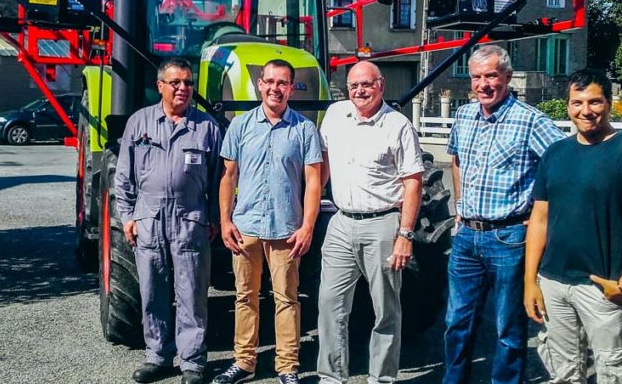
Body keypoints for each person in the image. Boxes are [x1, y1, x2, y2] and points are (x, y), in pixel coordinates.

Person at [443, 45, 564, 384]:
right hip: (466, 235)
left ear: (508, 78)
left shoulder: (530, 120)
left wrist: (542, 213)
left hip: (509, 238)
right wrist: (460, 205)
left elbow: (562, 168)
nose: (483, 84)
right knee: (456, 322)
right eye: (477, 77)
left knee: (507, 327)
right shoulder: (465, 115)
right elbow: (456, 160)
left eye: (491, 76)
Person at [115, 58, 222, 384]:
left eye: (188, 83)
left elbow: (220, 179)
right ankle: (158, 356)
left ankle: (192, 362)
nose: (183, 89)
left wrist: (216, 218)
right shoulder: (139, 123)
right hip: (149, 218)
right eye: (175, 82)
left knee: (192, 293)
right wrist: (128, 216)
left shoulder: (206, 127)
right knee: (152, 291)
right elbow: (123, 176)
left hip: (190, 219)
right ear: (160, 86)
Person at [215, 59, 322, 384]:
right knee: (245, 297)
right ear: (260, 84)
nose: (276, 88)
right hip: (246, 228)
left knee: (287, 299)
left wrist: (307, 226)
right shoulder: (241, 126)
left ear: (291, 88)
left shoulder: (304, 129)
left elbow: (314, 181)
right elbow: (227, 176)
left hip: (286, 231)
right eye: (270, 81)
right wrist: (225, 221)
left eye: (283, 83)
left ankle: (287, 366)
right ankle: (243, 362)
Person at [316, 61, 424, 384]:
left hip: (383, 224)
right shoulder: (335, 116)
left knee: (386, 309)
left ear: (381, 85)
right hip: (340, 222)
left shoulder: (397, 125)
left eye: (366, 84)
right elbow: (323, 164)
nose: (360, 91)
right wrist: (309, 209)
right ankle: (332, 376)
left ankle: (382, 377)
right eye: (354, 86)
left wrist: (405, 234)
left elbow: (414, 182)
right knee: (330, 304)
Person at [524, 68, 622, 383]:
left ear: (609, 102)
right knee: (564, 372)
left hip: (604, 287)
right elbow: (539, 219)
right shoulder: (555, 154)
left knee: (612, 371)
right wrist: (531, 281)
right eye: (577, 102)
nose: (585, 111)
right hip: (554, 282)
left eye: (594, 102)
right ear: (567, 105)